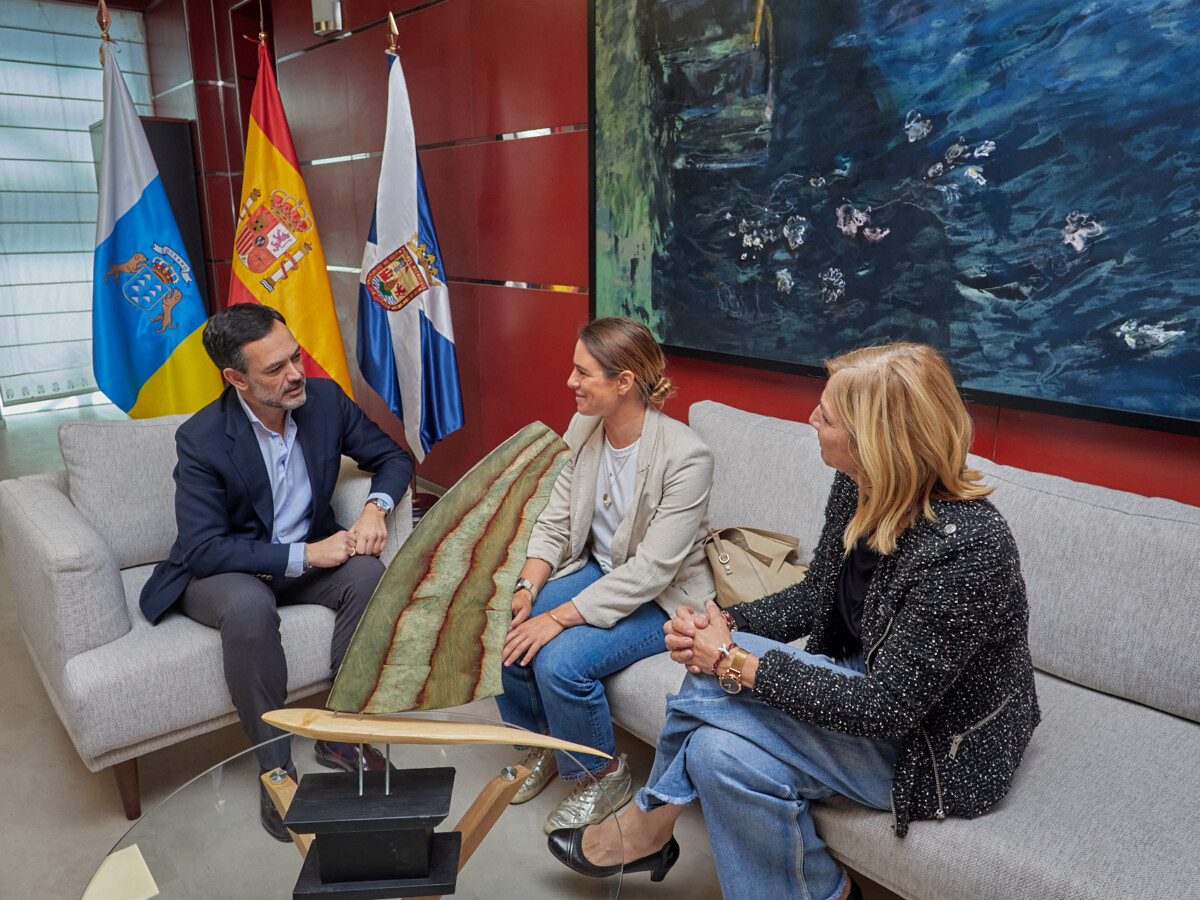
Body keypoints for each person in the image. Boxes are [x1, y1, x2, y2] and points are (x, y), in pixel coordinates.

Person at [548, 342, 1041, 899]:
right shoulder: (859, 484)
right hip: (861, 685)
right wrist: (723, 621)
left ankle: (648, 823)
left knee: (711, 683)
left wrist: (730, 658)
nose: (810, 419)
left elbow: (888, 708)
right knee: (714, 754)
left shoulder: (969, 547)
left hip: (926, 744)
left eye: (825, 416)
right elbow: (816, 598)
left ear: (874, 442)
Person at [139, 303, 413, 841]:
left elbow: (395, 457)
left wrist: (375, 508)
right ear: (236, 378)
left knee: (366, 574)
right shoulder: (202, 438)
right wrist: (306, 555)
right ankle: (276, 768)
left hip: (308, 557)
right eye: (275, 368)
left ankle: (342, 734)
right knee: (248, 607)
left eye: (295, 358)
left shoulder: (325, 401)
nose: (295, 374)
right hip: (228, 569)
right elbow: (205, 548)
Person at [497, 316, 717, 834]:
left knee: (560, 663)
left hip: (662, 597)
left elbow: (652, 570)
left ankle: (602, 775)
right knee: (504, 621)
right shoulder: (584, 428)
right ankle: (544, 743)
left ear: (624, 382)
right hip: (601, 570)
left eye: (583, 372)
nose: (570, 382)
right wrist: (527, 587)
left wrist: (557, 617)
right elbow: (555, 519)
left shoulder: (687, 456)